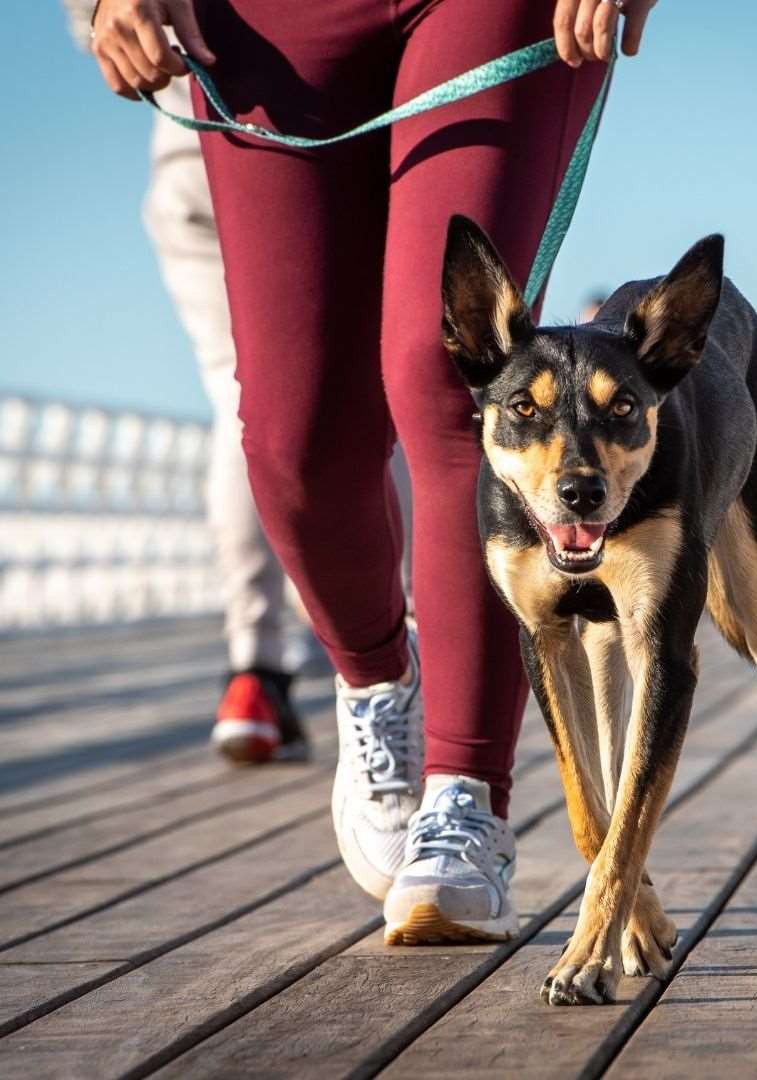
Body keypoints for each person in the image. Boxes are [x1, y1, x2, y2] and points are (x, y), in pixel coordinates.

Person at [87, 0, 659, 943]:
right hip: (265, 19)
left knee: (452, 375)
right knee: (296, 432)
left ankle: (466, 794)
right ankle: (375, 679)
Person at [65, 0, 311, 765]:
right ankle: (396, 651)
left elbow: (96, 24)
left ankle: (255, 671)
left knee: (242, 403)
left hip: (191, 150)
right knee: (360, 396)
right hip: (318, 131)